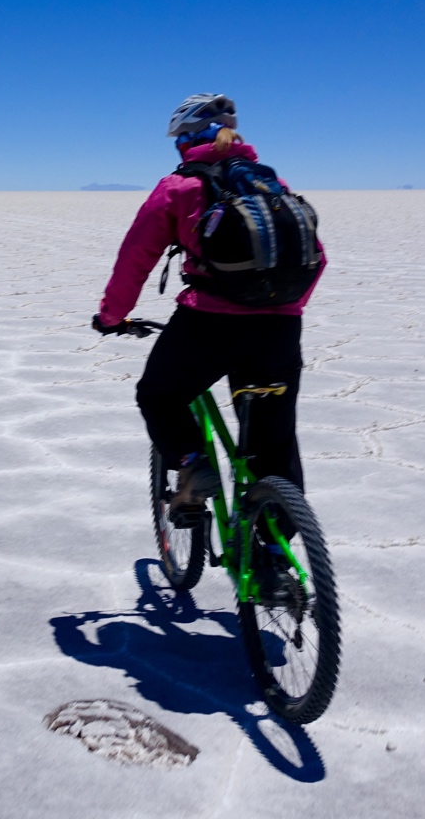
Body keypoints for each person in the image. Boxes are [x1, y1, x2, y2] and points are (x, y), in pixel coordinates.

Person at [92, 93, 324, 522]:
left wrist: (111, 317)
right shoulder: (271, 184)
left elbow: (135, 259)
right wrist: (284, 307)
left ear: (185, 141)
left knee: (159, 397)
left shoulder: (179, 188)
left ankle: (194, 467)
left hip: (209, 324)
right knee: (274, 445)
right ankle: (275, 563)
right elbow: (316, 255)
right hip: (280, 333)